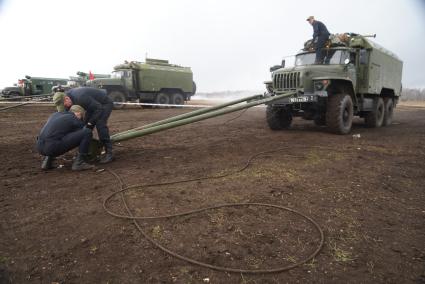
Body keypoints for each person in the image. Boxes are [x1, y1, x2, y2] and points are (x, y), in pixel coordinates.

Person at [62, 87, 114, 164]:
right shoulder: (67, 96)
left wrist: (90, 123)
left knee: (100, 124)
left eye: (65, 105)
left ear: (66, 99)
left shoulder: (80, 97)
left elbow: (99, 108)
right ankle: (85, 151)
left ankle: (109, 153)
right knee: (84, 126)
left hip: (104, 104)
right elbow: (66, 114)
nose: (66, 107)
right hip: (93, 106)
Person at [36, 105, 94, 171]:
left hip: (39, 147)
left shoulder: (56, 114)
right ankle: (79, 163)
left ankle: (46, 162)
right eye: (81, 116)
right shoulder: (74, 118)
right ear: (78, 113)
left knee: (54, 136)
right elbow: (82, 133)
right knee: (87, 132)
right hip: (52, 148)